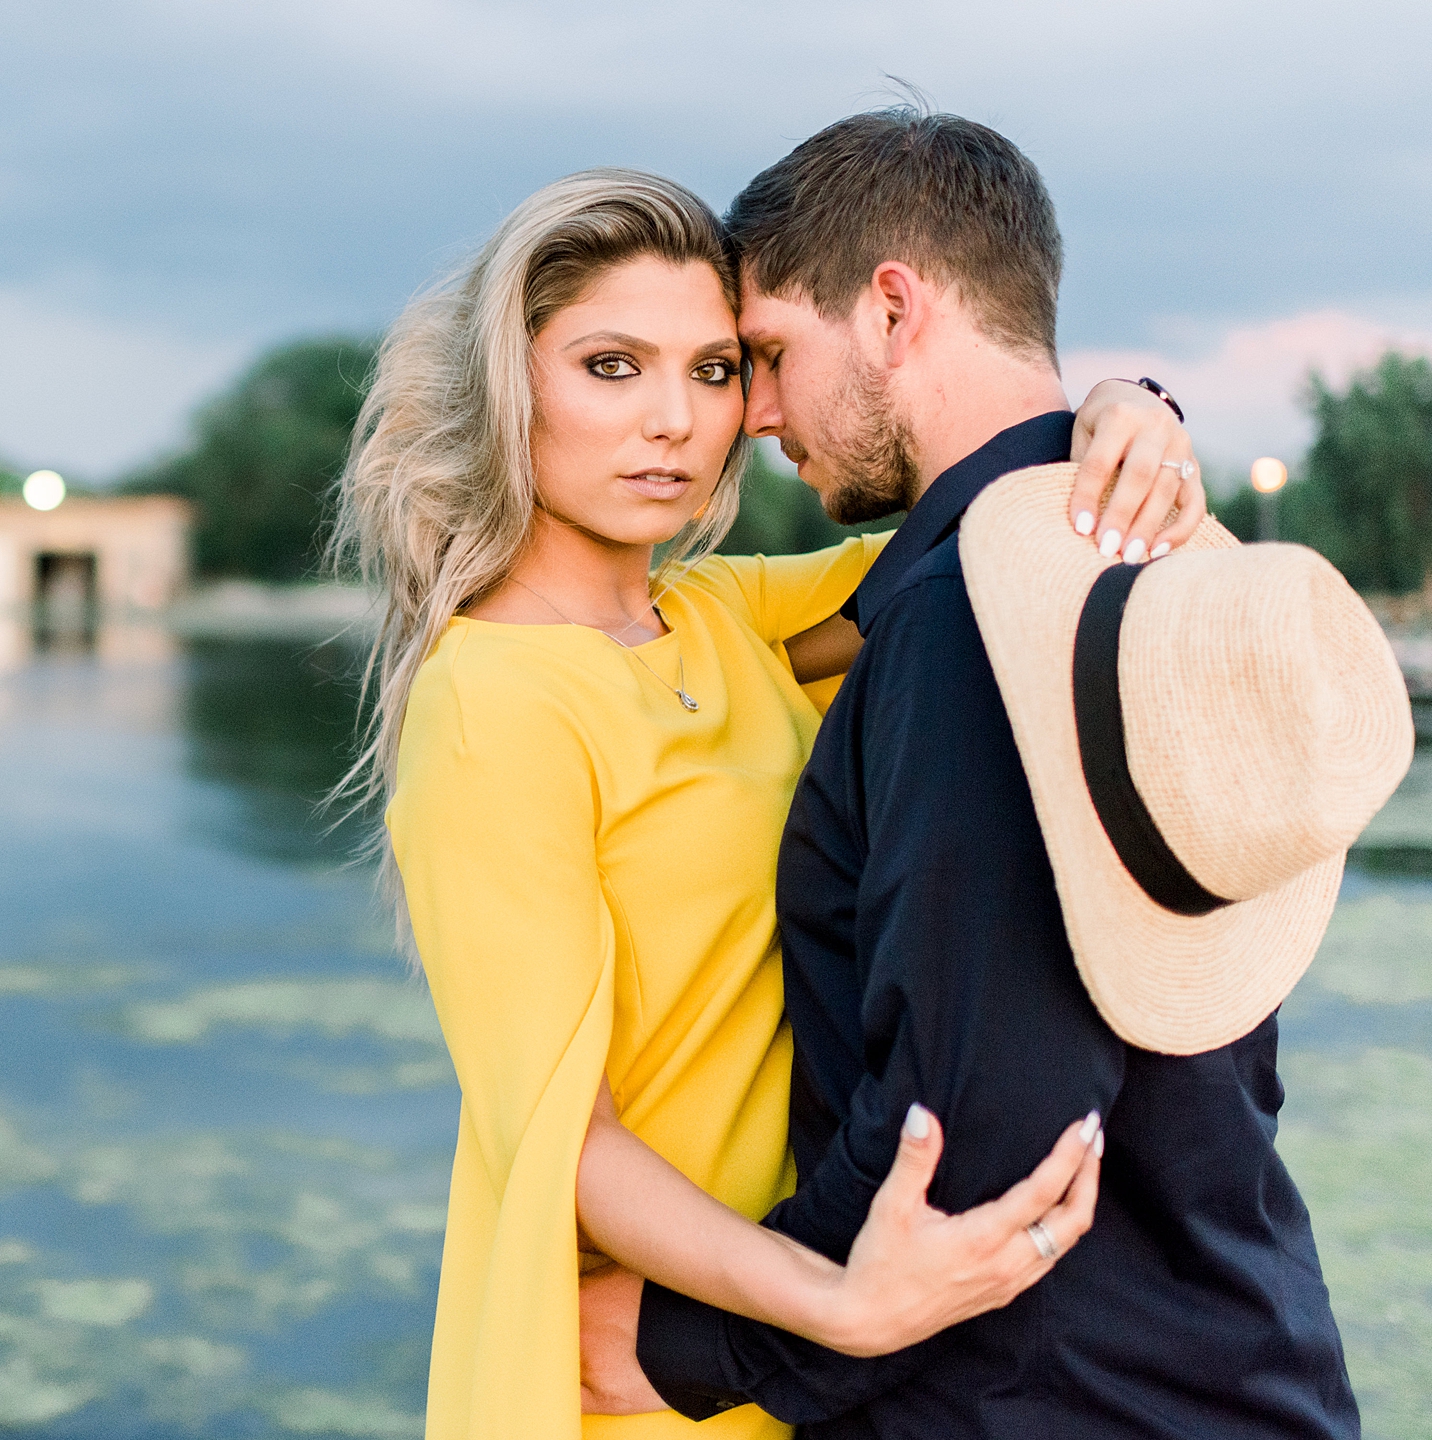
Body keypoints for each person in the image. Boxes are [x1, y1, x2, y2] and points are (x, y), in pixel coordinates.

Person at [332, 165, 1203, 1440]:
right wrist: (828, 1305)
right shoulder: (491, 704)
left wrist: (1136, 409)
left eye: (718, 369)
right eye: (613, 366)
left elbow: (1008, 526)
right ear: (508, 387)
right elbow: (564, 1136)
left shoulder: (724, 613)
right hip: (647, 1365)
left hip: (799, 1348)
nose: (677, 421)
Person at [582, 109, 1368, 1437]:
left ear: (893, 308)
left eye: (769, 352)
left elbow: (979, 1116)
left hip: (1050, 1396)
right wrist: (1135, 401)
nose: (752, 411)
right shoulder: (1160, 567)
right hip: (1238, 1352)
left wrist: (689, 1341)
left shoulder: (971, 617)